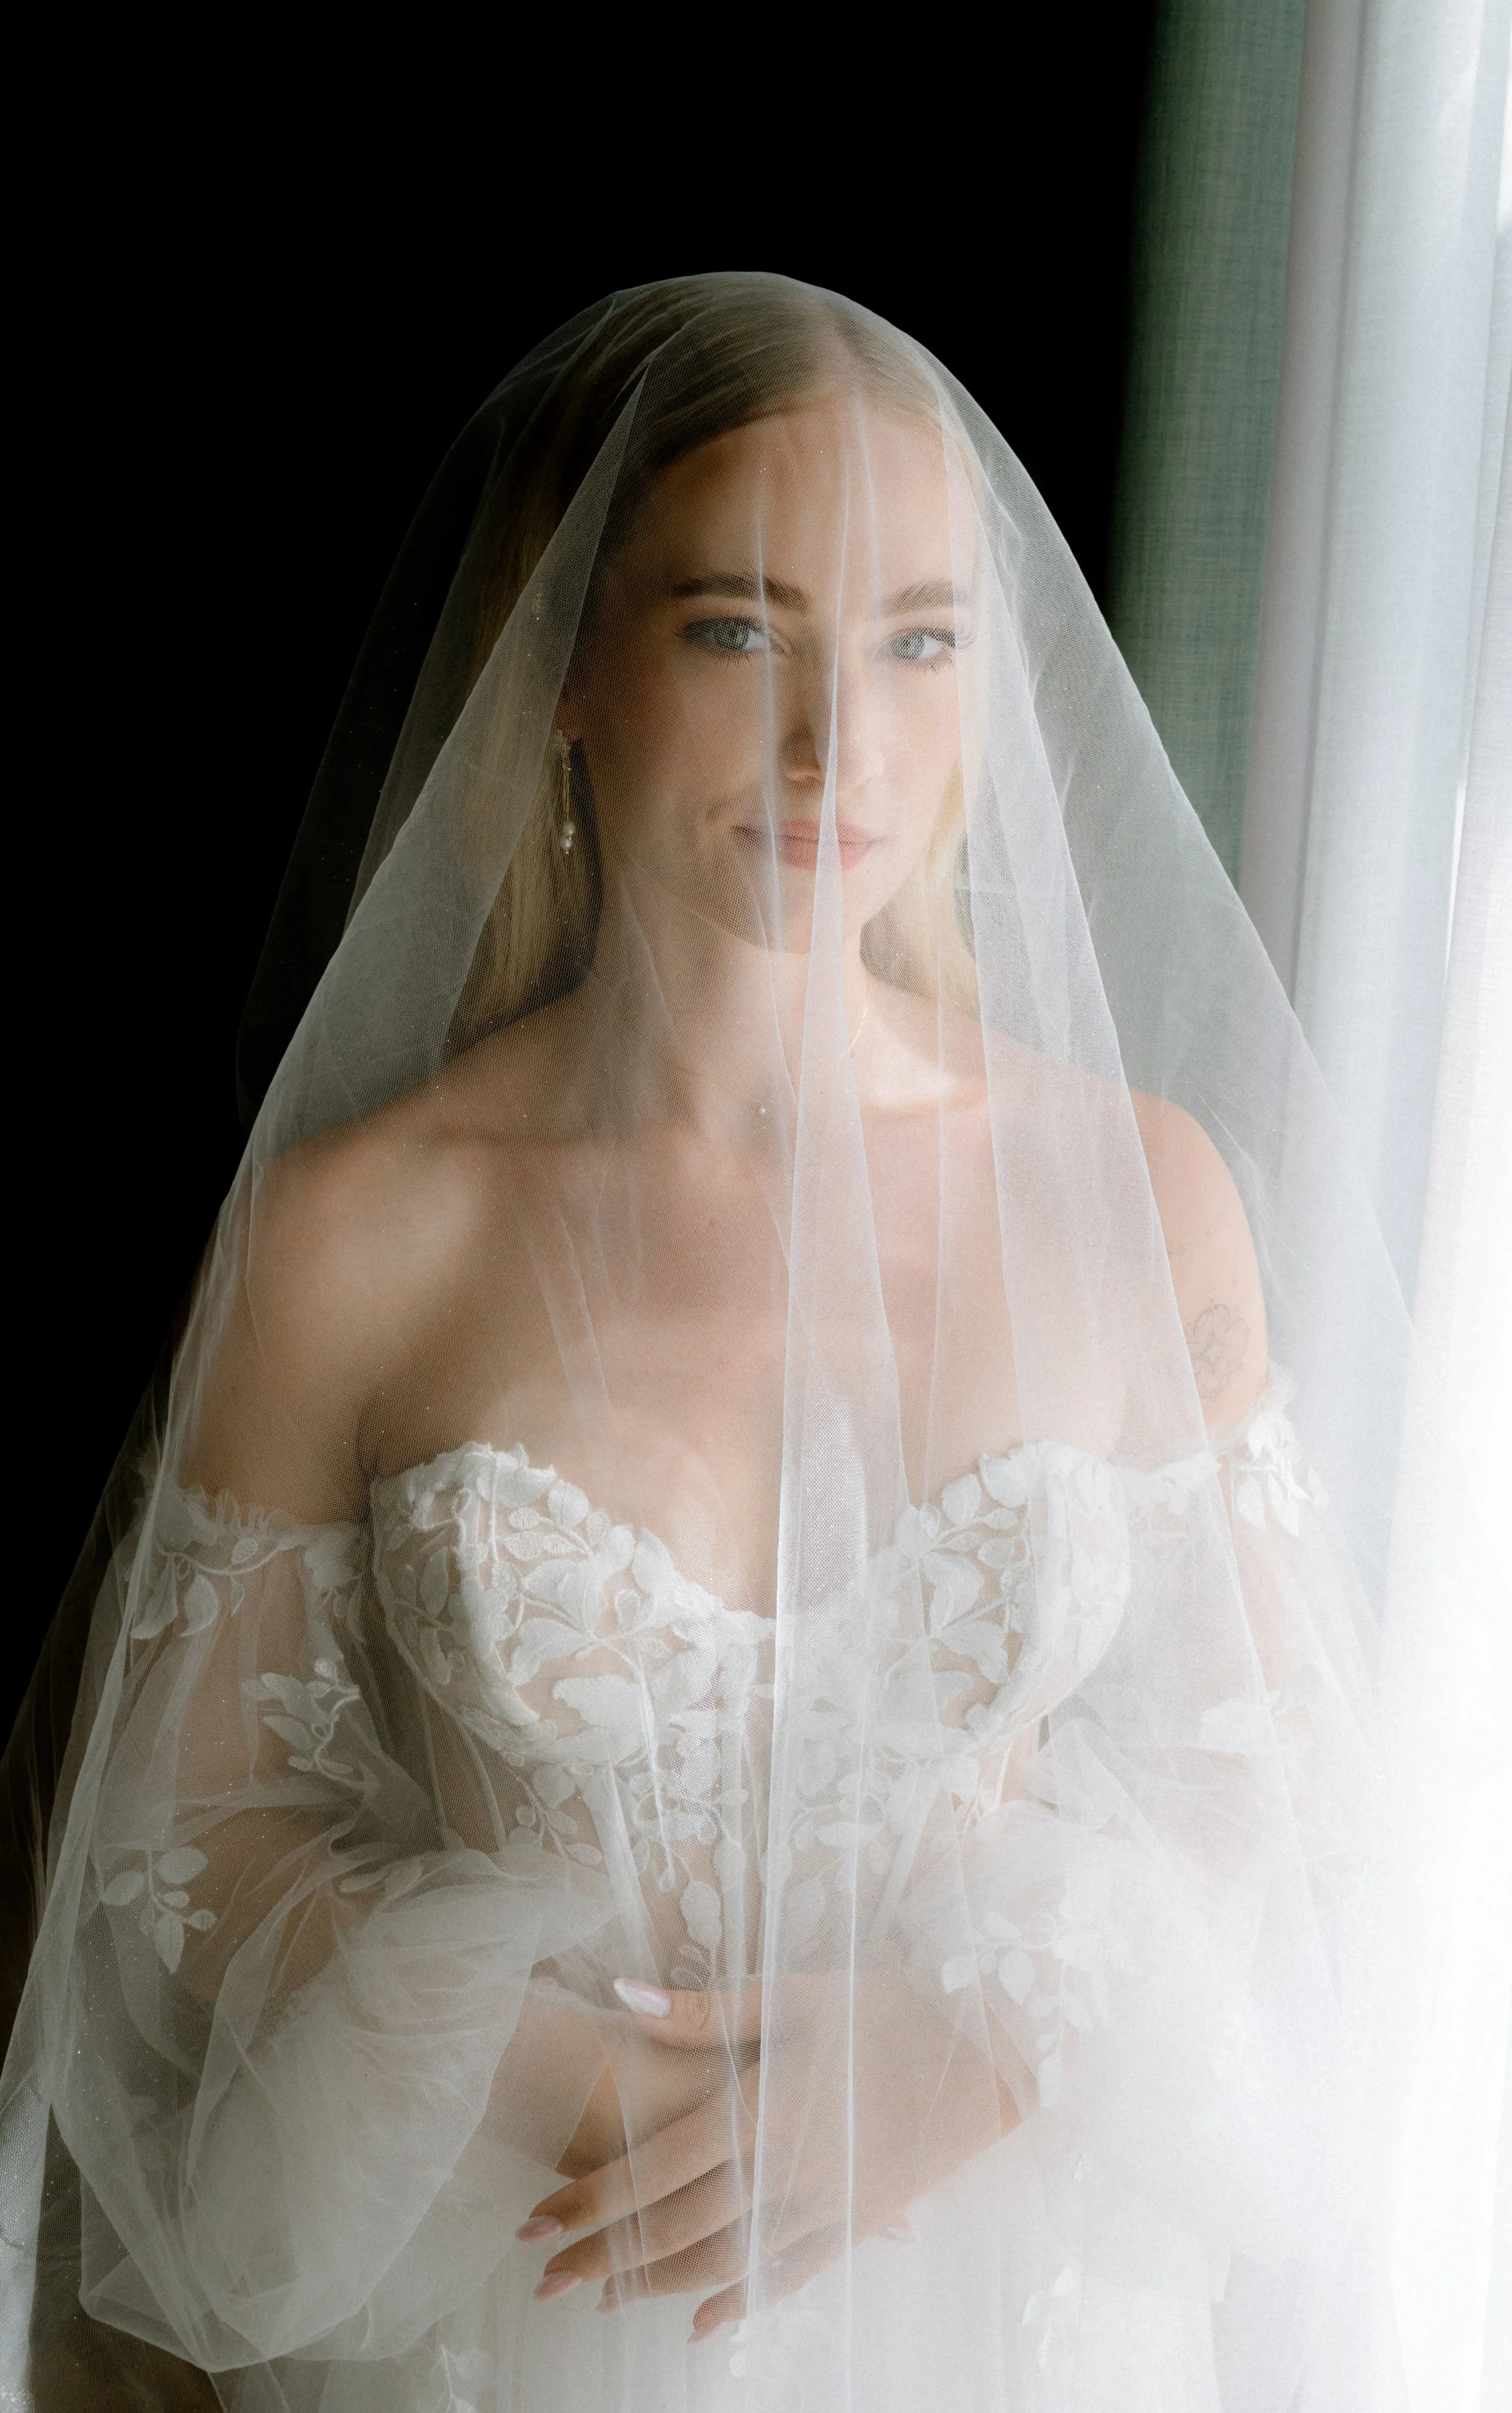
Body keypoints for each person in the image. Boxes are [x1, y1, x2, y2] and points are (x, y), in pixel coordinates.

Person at [0, 275, 1387, 2411]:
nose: (844, 749)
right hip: (517, 2278)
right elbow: (176, 1841)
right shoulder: (364, 1232)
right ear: (558, 671)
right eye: (738, 632)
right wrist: (527, 2061)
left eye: (919, 641)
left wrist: (976, 2035)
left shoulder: (1136, 1191)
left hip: (1007, 2305)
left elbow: (1264, 1754)